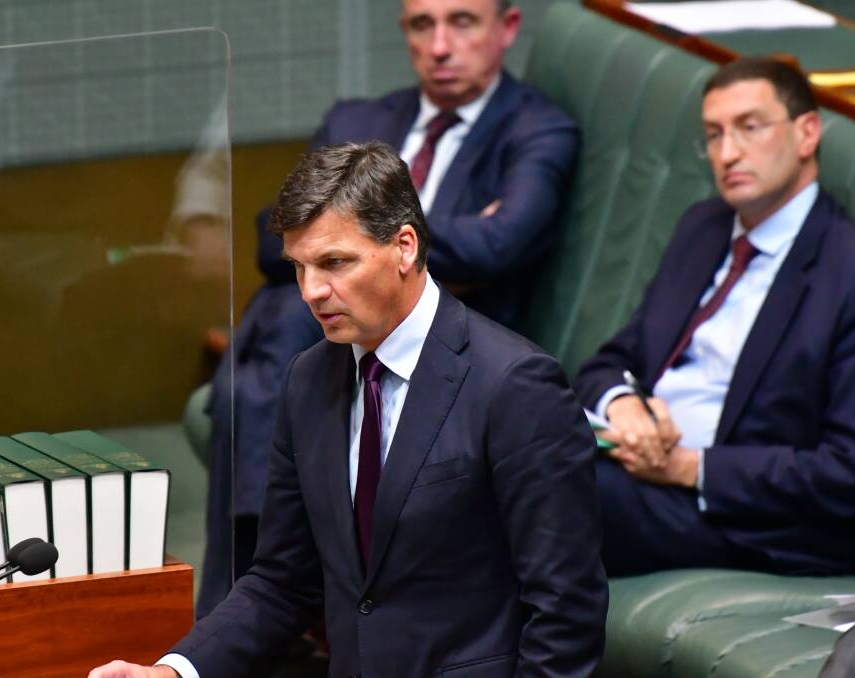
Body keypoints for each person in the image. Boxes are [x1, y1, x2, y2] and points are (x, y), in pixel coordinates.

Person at [89, 142, 606, 678]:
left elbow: (566, 613)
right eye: (300, 267)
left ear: (405, 247)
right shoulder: (308, 379)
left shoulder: (515, 385)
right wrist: (175, 671)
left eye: (335, 262)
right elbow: (282, 581)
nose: (312, 292)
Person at [200, 0, 580, 616]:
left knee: (267, 356)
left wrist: (368, 240)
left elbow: (503, 242)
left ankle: (249, 587)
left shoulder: (537, 129)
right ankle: (266, 589)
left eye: (462, 22)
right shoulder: (358, 117)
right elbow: (277, 238)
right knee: (275, 343)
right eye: (421, 25)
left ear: (507, 28)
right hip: (322, 344)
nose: (439, 46)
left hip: (446, 341)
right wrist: (350, 253)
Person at [575, 56, 855, 576]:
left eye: (750, 128)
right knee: (490, 441)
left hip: (742, 520)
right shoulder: (703, 229)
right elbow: (611, 361)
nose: (727, 153)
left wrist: (690, 469)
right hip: (632, 468)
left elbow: (852, 469)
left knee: (542, 486)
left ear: (807, 133)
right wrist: (624, 410)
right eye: (713, 134)